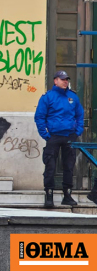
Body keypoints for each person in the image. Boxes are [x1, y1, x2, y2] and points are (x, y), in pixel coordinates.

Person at [34, 70, 84, 208]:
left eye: (67, 79)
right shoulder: (47, 97)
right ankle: (49, 195)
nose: (65, 81)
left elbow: (80, 114)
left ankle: (67, 195)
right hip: (54, 136)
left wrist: (77, 131)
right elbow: (39, 117)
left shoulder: (73, 97)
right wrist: (46, 134)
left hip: (69, 136)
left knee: (69, 166)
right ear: (55, 81)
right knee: (50, 166)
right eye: (62, 79)